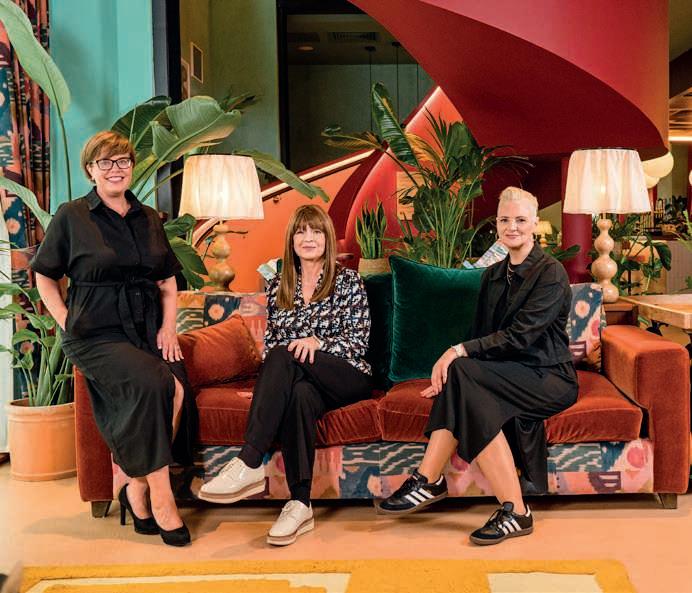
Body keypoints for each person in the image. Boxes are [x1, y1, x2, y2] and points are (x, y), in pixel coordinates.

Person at [378, 187, 578, 546]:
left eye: (520, 220)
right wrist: (451, 377)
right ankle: (514, 511)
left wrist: (456, 353)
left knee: (462, 369)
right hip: (508, 374)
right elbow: (481, 336)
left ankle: (428, 479)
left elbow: (520, 338)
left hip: (548, 376)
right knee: (463, 377)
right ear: (496, 225)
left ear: (535, 223)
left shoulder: (550, 273)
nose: (512, 227)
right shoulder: (493, 275)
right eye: (505, 220)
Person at [31, 131, 197, 547]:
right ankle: (162, 500)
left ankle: (135, 487)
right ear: (91, 170)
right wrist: (66, 319)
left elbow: (167, 281)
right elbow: (44, 275)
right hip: (94, 333)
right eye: (105, 162)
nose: (115, 169)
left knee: (177, 390)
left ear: (132, 167)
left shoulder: (148, 218)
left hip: (144, 329)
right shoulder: (72, 216)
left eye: (123, 161)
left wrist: (168, 328)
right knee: (153, 383)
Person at [199, 204, 373, 546]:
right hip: (304, 381)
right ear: (291, 240)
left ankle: (250, 460)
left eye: (316, 231)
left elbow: (359, 340)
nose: (308, 238)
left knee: (285, 353)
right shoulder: (279, 285)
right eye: (301, 232)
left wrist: (318, 342)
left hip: (347, 374)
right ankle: (300, 504)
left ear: (327, 238)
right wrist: (269, 388)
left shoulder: (348, 280)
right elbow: (272, 343)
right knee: (299, 396)